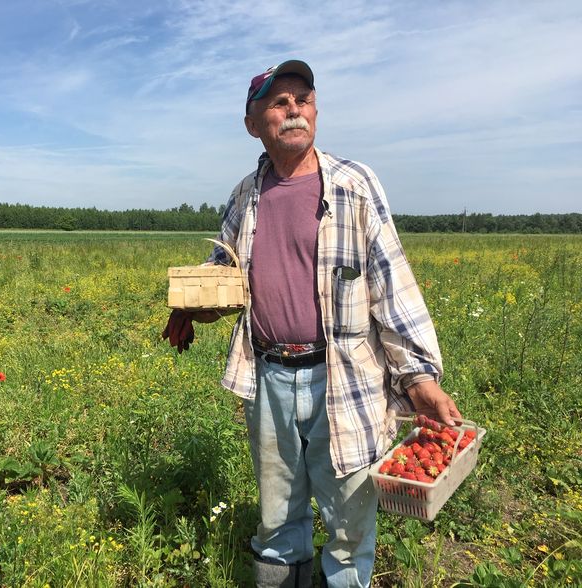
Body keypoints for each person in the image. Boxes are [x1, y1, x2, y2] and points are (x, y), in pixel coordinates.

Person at [162, 60, 462, 588]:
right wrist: (191, 305)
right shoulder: (245, 195)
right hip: (268, 374)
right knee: (277, 510)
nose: (293, 109)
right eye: (279, 103)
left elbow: (393, 285)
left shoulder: (354, 186)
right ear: (253, 123)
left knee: (348, 514)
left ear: (316, 111)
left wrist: (419, 378)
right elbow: (224, 272)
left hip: (342, 377)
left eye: (303, 98)